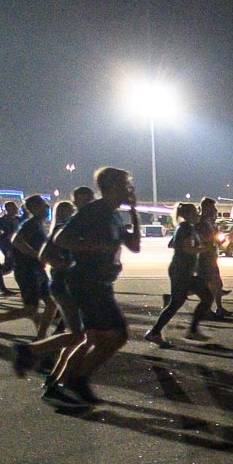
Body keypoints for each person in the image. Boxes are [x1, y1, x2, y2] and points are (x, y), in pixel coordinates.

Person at [46, 167, 144, 409]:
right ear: (113, 187)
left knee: (101, 337)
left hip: (100, 282)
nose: (129, 189)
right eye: (126, 184)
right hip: (85, 281)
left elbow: (134, 246)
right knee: (111, 335)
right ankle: (69, 382)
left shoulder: (113, 215)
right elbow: (60, 238)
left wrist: (133, 212)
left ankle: (64, 384)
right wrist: (95, 246)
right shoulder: (93, 211)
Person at [0, 192, 57, 338]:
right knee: (31, 309)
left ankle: (41, 336)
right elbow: (16, 240)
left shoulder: (38, 224)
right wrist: (36, 255)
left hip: (37, 270)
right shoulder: (31, 224)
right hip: (27, 271)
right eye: (43, 205)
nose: (47, 207)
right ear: (34, 208)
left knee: (49, 304)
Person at [144, 202, 215, 345]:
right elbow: (188, 249)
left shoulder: (187, 228)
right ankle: (155, 332)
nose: (197, 215)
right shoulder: (185, 228)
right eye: (195, 213)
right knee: (178, 303)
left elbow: (181, 245)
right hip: (181, 272)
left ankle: (191, 330)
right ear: (188, 215)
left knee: (205, 297)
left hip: (184, 271)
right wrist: (205, 249)